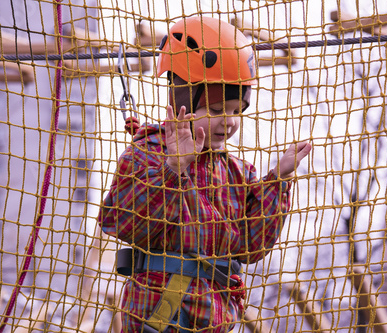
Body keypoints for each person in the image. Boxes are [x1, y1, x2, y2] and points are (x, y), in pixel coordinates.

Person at [98, 16, 312, 333]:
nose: (229, 121)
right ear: (181, 104)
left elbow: (252, 247)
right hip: (159, 314)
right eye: (215, 110)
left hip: (216, 316)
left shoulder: (239, 173)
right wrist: (173, 170)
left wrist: (277, 181)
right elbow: (122, 223)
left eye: (237, 110)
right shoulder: (146, 155)